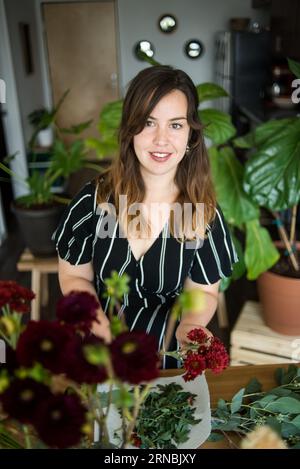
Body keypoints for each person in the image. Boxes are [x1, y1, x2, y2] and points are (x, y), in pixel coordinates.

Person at [53, 65, 238, 368]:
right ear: (131, 128)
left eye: (176, 125)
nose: (161, 139)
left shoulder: (201, 212)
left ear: (191, 135)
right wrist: (96, 324)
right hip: (99, 356)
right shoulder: (94, 202)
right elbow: (74, 275)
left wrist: (190, 325)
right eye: (149, 122)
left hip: (167, 361)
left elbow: (203, 291)